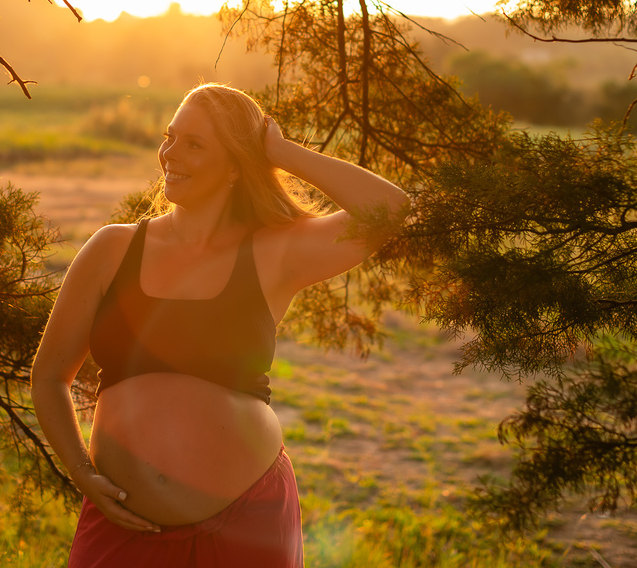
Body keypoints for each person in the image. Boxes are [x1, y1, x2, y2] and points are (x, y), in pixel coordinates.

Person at [30, 83, 408, 568]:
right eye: (170, 136)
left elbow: (389, 211)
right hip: (123, 524)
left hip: (248, 527)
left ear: (235, 166)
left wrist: (278, 150)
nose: (169, 153)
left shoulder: (274, 252)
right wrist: (82, 474)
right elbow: (49, 376)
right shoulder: (113, 248)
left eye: (194, 144)